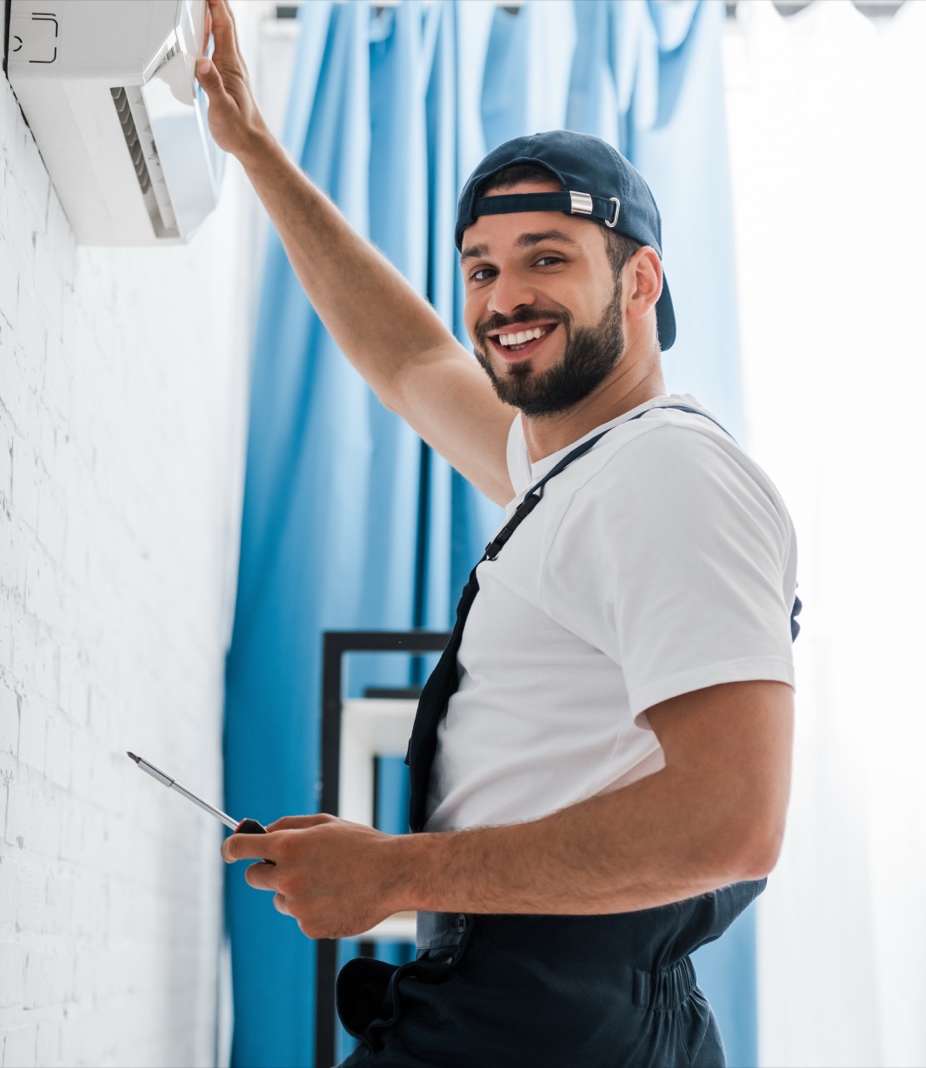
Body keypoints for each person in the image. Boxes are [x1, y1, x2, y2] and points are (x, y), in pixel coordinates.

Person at [196, 2, 799, 1066]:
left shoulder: (665, 472)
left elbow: (734, 821)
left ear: (639, 281)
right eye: (480, 268)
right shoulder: (575, 470)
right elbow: (413, 363)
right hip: (513, 1003)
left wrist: (396, 872)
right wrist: (257, 154)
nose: (503, 297)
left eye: (545, 259)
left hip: (561, 1020)